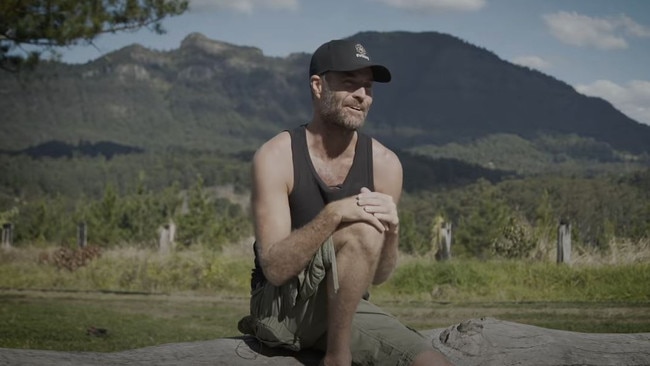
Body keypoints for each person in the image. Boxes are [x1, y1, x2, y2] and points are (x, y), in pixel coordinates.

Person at [238, 39, 452, 366]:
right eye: (349, 84)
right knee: (361, 231)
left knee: (432, 362)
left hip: (344, 308)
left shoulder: (385, 164)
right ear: (317, 85)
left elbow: (378, 276)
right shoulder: (276, 156)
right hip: (280, 307)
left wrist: (392, 233)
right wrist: (334, 213)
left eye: (367, 87)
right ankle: (337, 358)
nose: (361, 96)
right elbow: (276, 270)